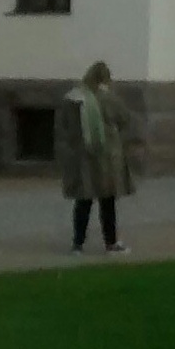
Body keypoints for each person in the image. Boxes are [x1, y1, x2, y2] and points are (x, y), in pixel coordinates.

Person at [57, 60, 136, 254]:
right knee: (107, 201)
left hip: (82, 157)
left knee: (83, 201)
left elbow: (63, 126)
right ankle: (111, 243)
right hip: (106, 157)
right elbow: (125, 119)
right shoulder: (108, 99)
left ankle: (78, 244)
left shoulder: (72, 98)